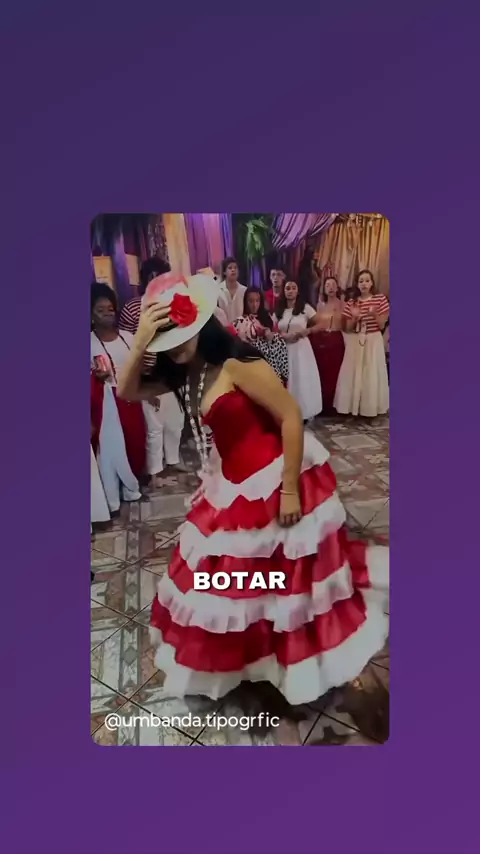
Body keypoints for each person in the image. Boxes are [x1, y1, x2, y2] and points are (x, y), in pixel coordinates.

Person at [117, 272, 389, 708]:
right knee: (245, 584)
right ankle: (258, 661)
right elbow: (127, 390)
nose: (176, 346)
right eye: (167, 340)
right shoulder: (187, 373)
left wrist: (289, 490)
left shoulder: (235, 363)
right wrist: (140, 342)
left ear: (202, 324)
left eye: (182, 334)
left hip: (276, 478)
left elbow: (290, 415)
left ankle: (294, 663)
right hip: (231, 485)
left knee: (289, 587)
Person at [119, 260, 186, 484]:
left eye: (161, 277)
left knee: (175, 421)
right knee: (154, 427)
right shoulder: (133, 308)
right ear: (145, 279)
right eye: (152, 276)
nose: (157, 281)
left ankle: (173, 460)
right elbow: (128, 347)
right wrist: (140, 381)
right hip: (146, 375)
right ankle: (155, 471)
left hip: (171, 373)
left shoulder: (173, 304)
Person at [90, 283, 145, 511]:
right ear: (91, 314)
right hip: (106, 402)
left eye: (110, 309)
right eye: (100, 310)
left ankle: (131, 487)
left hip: (132, 396)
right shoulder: (89, 342)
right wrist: (97, 377)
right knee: (113, 449)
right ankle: (113, 496)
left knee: (135, 442)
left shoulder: (128, 337)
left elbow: (139, 366)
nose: (107, 313)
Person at [334, 269, 389, 417]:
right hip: (356, 339)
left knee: (371, 373)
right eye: (361, 281)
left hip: (373, 339)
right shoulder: (352, 302)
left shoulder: (380, 299)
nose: (364, 284)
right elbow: (347, 328)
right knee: (354, 373)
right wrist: (355, 318)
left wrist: (374, 314)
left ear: (372, 283)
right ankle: (353, 408)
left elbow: (382, 325)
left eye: (367, 280)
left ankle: (370, 409)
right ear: (357, 284)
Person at [274, 280, 323, 421]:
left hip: (302, 349)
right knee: (287, 379)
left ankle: (304, 411)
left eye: (293, 288)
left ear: (298, 291)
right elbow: (273, 328)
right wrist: (283, 336)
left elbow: (321, 324)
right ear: (284, 291)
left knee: (302, 379)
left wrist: (307, 331)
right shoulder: (279, 310)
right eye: (287, 288)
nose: (290, 291)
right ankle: (287, 412)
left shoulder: (305, 308)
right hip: (284, 349)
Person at [233, 287, 289, 384]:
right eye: (251, 301)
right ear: (246, 302)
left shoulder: (267, 318)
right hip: (251, 357)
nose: (254, 305)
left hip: (268, 356)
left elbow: (273, 337)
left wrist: (268, 334)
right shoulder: (239, 321)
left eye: (257, 301)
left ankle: (281, 375)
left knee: (278, 340)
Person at [310, 276, 346, 415]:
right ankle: (322, 404)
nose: (330, 287)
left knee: (335, 372)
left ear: (337, 288)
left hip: (336, 339)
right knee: (322, 371)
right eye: (327, 285)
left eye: (333, 285)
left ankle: (334, 404)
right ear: (324, 289)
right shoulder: (320, 305)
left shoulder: (342, 304)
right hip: (321, 340)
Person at [217, 257, 246, 324]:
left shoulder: (244, 290)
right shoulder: (218, 290)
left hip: (241, 328)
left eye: (235, 268)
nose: (233, 270)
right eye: (230, 268)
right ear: (224, 272)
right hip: (223, 328)